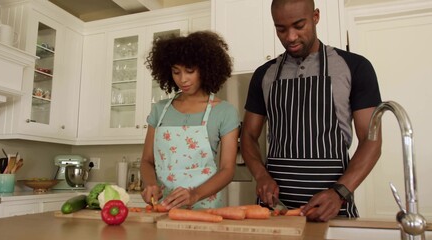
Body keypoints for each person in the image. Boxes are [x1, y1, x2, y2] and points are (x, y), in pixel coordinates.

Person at [241, 0, 382, 221]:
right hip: (275, 209)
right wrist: (260, 176)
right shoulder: (264, 75)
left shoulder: (354, 66)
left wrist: (339, 193)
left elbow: (371, 141)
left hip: (333, 208)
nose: (290, 37)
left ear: (315, 16)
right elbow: (248, 135)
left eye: (299, 25)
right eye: (281, 29)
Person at [140, 31, 240, 210]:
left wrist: (194, 194)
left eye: (190, 71)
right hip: (163, 208)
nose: (182, 79)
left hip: (205, 208)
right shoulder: (159, 110)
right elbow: (147, 160)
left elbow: (227, 169)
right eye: (176, 72)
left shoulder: (225, 111)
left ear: (205, 68)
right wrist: (150, 184)